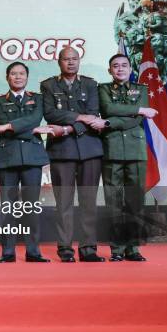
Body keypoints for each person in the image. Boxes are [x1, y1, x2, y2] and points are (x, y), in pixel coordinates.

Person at [41, 46, 106, 262]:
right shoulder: (49, 85)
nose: (71, 62)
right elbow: (51, 113)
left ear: (80, 61)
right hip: (62, 151)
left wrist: (70, 127)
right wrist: (82, 117)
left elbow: (94, 114)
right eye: (66, 59)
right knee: (64, 203)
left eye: (74, 59)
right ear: (59, 62)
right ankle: (65, 248)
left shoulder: (90, 83)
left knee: (89, 202)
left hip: (90, 150)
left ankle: (89, 249)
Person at [0, 62, 53, 263]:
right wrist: (33, 129)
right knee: (8, 208)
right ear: (7, 77)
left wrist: (14, 127)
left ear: (27, 77)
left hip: (32, 158)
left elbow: (35, 119)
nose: (18, 77)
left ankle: (33, 251)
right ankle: (8, 252)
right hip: (8, 157)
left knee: (31, 207)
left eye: (21, 74)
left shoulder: (38, 99)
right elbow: (3, 124)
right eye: (13, 74)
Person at [99, 54, 157, 262]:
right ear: (110, 70)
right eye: (115, 66)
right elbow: (108, 109)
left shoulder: (141, 89)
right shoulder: (103, 89)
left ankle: (133, 248)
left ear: (130, 68)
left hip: (135, 150)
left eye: (124, 65)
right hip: (111, 148)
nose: (120, 69)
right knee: (112, 201)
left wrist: (109, 123)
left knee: (135, 201)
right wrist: (140, 109)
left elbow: (137, 119)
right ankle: (116, 248)